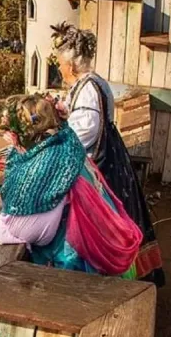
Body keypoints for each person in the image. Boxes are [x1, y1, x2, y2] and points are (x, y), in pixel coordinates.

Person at [0, 95, 142, 278]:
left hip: (84, 267)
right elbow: (27, 196)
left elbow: (20, 229)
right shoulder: (63, 143)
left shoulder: (43, 168)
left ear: (18, 136)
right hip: (104, 240)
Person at [52, 22, 164, 284]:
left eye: (59, 63)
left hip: (101, 164)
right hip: (111, 155)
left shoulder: (88, 88)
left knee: (104, 220)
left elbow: (86, 132)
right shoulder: (93, 82)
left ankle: (110, 277)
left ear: (71, 65)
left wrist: (55, 138)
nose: (58, 67)